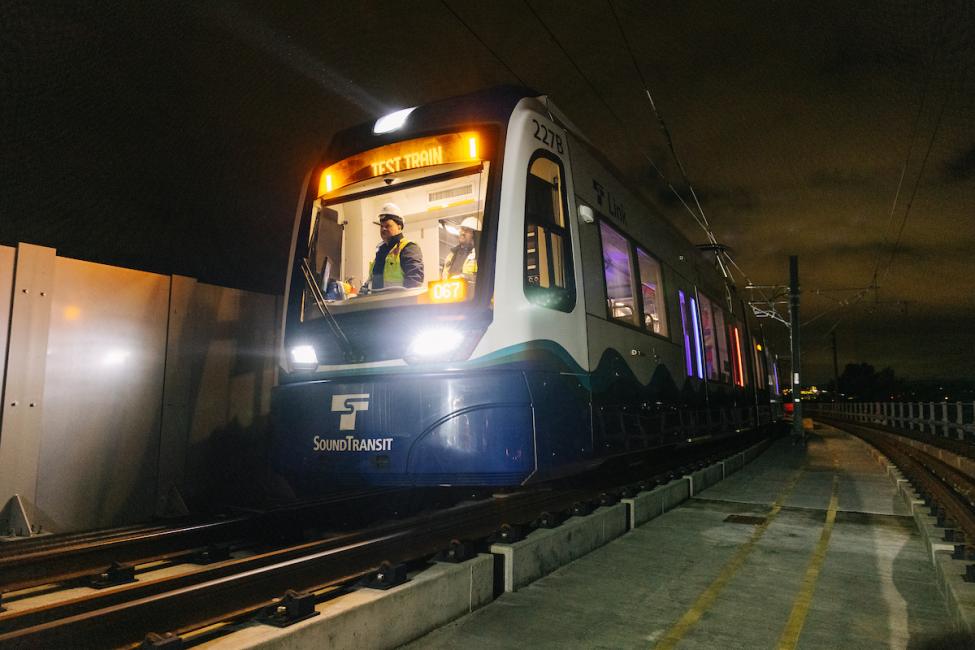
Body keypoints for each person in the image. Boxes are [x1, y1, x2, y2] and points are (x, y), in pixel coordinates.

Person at [367, 202, 424, 290]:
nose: (383, 229)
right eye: (381, 226)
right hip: (378, 302)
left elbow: (414, 281)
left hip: (398, 303)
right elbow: (372, 280)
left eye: (387, 226)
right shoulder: (380, 250)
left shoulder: (409, 248)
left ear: (399, 226)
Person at [441, 216, 479, 282]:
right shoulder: (450, 255)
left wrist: (464, 277)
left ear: (475, 234)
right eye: (462, 229)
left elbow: (483, 279)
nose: (463, 233)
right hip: (449, 291)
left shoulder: (479, 255)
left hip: (470, 291)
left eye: (467, 230)